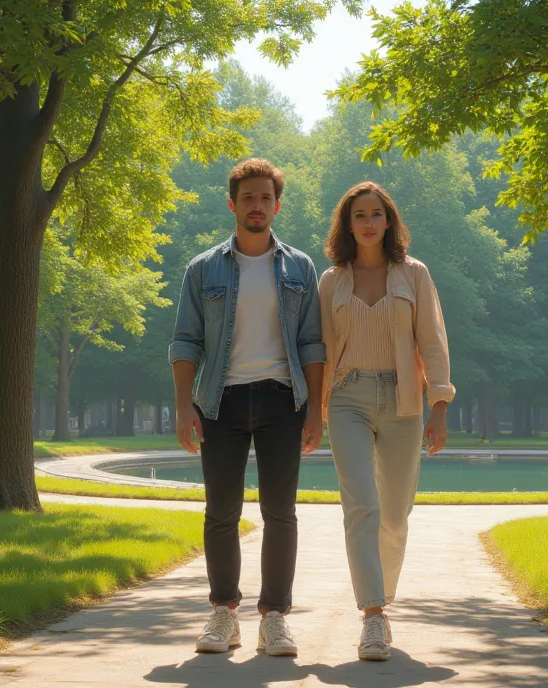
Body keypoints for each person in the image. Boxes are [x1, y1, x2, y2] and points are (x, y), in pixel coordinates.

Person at [168, 158, 326, 657]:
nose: (257, 206)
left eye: (265, 198)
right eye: (248, 197)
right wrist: (183, 407)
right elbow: (185, 342)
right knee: (220, 512)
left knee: (281, 513)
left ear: (276, 205)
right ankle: (223, 615)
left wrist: (316, 410)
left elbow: (313, 345)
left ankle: (274, 619)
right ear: (232, 203)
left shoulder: (300, 267)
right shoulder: (203, 268)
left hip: (283, 400)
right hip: (221, 402)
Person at [318, 181, 454, 661]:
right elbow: (320, 352)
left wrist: (438, 405)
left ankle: (382, 596)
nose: (369, 222)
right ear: (348, 223)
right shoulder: (331, 281)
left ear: (389, 221)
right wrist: (314, 413)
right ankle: (372, 617)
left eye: (377, 214)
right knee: (361, 506)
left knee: (395, 517)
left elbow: (432, 341)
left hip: (404, 402)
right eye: (360, 215)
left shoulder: (413, 275)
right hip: (347, 398)